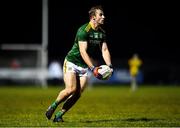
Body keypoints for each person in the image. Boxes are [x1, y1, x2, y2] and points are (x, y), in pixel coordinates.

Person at [45, 5, 113, 122]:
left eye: (103, 14)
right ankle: (53, 106)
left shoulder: (102, 33)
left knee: (78, 94)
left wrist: (109, 65)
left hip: (83, 66)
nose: (103, 17)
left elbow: (104, 50)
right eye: (100, 15)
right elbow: (82, 51)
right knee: (70, 89)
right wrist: (93, 68)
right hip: (72, 62)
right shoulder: (83, 30)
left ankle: (59, 115)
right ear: (93, 17)